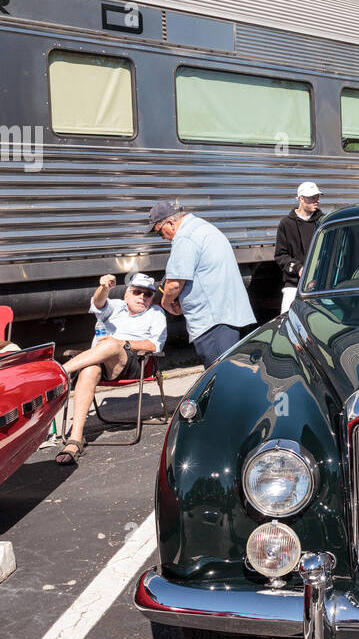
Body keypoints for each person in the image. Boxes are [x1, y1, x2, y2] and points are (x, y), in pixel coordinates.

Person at [56, 274, 167, 465]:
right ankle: (75, 439)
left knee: (113, 344)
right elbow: (98, 303)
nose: (142, 297)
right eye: (137, 291)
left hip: (135, 362)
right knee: (89, 369)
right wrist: (104, 288)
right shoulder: (116, 306)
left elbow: (154, 345)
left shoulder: (155, 313)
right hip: (101, 361)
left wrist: (122, 343)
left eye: (148, 294)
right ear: (126, 294)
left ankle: (58, 373)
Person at [148, 200, 256, 369]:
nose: (162, 238)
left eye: (159, 232)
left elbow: (174, 283)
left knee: (220, 378)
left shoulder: (185, 237)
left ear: (170, 223)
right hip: (234, 316)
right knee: (238, 374)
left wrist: (166, 302)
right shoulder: (205, 228)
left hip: (213, 322)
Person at [275, 182, 324, 312]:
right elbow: (281, 255)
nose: (317, 201)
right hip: (293, 284)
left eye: (318, 197)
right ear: (301, 198)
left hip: (320, 284)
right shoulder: (286, 224)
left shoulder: (322, 222)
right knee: (286, 320)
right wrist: (298, 268)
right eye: (313, 197)